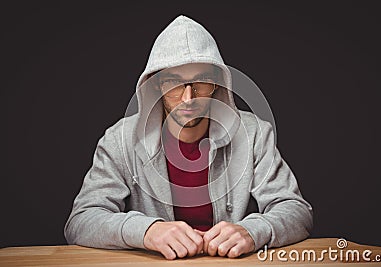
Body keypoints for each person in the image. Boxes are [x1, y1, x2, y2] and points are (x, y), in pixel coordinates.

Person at [64, 15, 313, 260]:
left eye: (200, 82)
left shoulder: (254, 133)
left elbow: (297, 211)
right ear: (156, 85)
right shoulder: (119, 140)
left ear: (217, 83)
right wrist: (147, 231)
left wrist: (253, 231)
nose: (188, 98)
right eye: (173, 83)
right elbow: (81, 221)